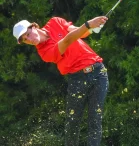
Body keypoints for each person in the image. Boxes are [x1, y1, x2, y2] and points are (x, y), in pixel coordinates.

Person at [13, 16, 109, 146]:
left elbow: (77, 31)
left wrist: (92, 28)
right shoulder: (44, 53)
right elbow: (67, 40)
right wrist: (88, 24)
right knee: (72, 123)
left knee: (95, 118)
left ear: (34, 26)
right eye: (25, 40)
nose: (30, 40)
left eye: (28, 34)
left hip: (99, 72)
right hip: (77, 79)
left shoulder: (55, 22)